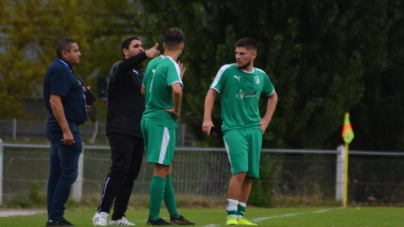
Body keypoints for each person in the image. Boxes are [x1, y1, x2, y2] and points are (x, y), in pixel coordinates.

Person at [202, 38, 278, 226]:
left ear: (254, 55)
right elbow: (211, 93)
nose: (238, 56)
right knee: (240, 171)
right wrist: (207, 118)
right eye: (236, 53)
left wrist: (266, 119)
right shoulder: (227, 70)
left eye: (242, 53)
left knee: (250, 174)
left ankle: (241, 215)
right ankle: (231, 215)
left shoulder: (261, 75)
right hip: (233, 128)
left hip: (254, 129)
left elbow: (273, 95)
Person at [92, 37, 160, 226]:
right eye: (136, 46)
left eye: (142, 46)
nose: (141, 48)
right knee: (119, 170)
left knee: (131, 175)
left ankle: (118, 217)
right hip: (120, 128)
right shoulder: (119, 68)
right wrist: (145, 55)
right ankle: (101, 213)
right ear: (125, 51)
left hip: (139, 130)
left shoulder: (143, 73)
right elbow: (123, 68)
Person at [141, 28, 194, 226]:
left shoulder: (153, 62)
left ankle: (174, 215)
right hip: (161, 121)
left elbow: (143, 89)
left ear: (164, 44)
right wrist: (176, 110)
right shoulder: (171, 64)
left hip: (147, 118)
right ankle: (153, 218)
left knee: (166, 168)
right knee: (161, 169)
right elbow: (177, 91)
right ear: (182, 46)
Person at [43, 39, 87, 226]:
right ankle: (56, 217)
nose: (79, 53)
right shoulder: (61, 69)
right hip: (64, 127)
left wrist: (80, 107)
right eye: (75, 50)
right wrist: (66, 130)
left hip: (60, 125)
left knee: (57, 174)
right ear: (64, 53)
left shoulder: (64, 68)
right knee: (68, 174)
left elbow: (63, 99)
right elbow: (55, 101)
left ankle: (54, 218)